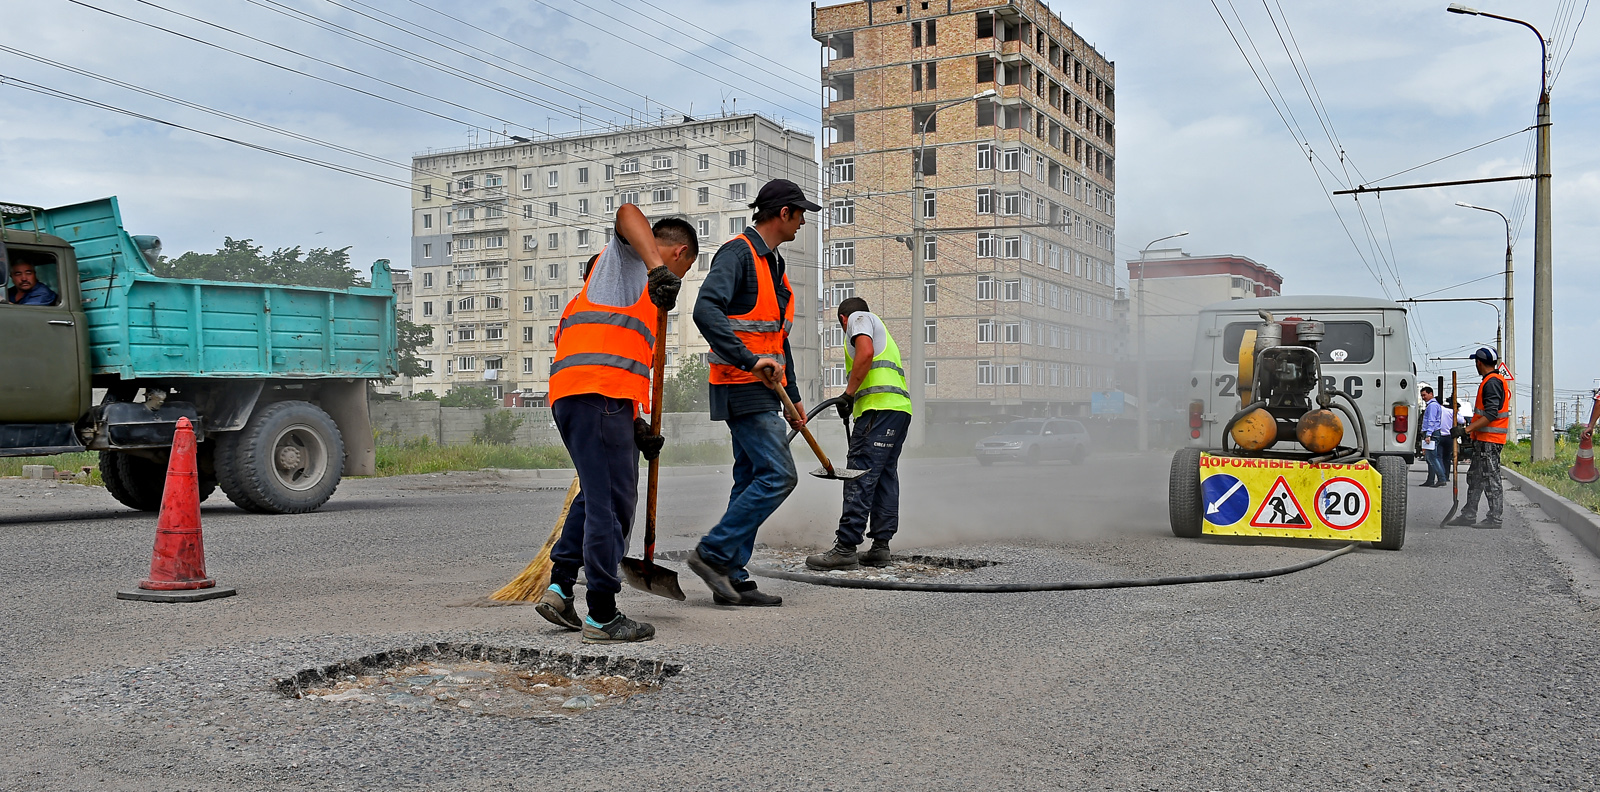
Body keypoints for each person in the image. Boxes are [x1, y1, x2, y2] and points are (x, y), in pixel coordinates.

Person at [534, 205, 696, 644]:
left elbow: (613, 356)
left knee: (595, 497)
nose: (676, 283)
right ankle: (602, 614)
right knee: (612, 504)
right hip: (596, 399)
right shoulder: (626, 267)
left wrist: (637, 423)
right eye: (683, 270)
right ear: (678, 254)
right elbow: (627, 212)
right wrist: (658, 269)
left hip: (594, 402)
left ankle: (560, 588)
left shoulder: (607, 297)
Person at [686, 178, 820, 607]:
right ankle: (712, 554)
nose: (802, 223)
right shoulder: (739, 253)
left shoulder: (773, 266)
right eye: (800, 215)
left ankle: (733, 578)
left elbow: (776, 342)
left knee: (749, 480)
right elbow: (705, 309)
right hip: (741, 384)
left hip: (765, 387)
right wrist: (747, 360)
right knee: (780, 475)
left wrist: (795, 398)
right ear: (784, 213)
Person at [806, 297, 912, 570]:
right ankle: (880, 547)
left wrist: (848, 394)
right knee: (884, 476)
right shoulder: (881, 329)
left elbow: (864, 353)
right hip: (898, 410)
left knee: (860, 475)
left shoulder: (858, 318)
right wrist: (853, 402)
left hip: (878, 411)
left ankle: (845, 548)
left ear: (843, 319)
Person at [1447, 348, 1511, 528]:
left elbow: (1491, 414)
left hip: (1490, 440)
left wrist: (1465, 430)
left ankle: (1494, 518)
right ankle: (1468, 514)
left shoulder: (1491, 382)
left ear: (1479, 363)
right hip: (1483, 440)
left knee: (1491, 478)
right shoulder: (1492, 381)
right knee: (1475, 477)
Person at [1419, 386, 1449, 487]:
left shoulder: (1432, 406)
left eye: (1424, 395)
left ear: (1431, 394)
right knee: (1429, 457)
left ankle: (1441, 478)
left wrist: (1428, 434)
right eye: (1422, 395)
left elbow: (1431, 421)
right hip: (1433, 433)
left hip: (1432, 433)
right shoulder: (1434, 405)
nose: (1423, 397)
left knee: (1432, 457)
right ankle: (1430, 479)